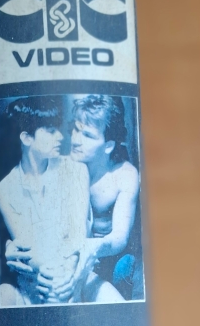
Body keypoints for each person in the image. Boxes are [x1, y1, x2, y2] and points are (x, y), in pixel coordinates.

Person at [0, 97, 91, 306]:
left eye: (58, 128)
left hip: (75, 274)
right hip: (35, 281)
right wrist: (51, 277)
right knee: (3, 297)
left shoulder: (76, 170)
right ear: (26, 138)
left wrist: (67, 276)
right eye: (50, 130)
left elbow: (78, 235)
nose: (60, 137)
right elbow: (29, 249)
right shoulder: (5, 189)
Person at [54, 95, 142, 302]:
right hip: (74, 256)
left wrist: (90, 247)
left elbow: (120, 237)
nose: (76, 140)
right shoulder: (65, 167)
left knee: (126, 267)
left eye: (87, 135)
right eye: (75, 130)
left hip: (109, 258)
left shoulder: (124, 175)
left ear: (108, 145)